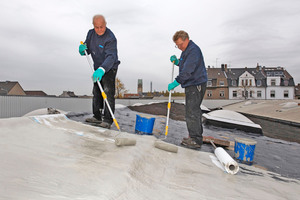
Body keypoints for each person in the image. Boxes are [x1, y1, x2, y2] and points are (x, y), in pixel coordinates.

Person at [79, 15, 120, 129]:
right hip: (97, 68)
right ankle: (97, 117)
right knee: (96, 91)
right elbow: (87, 49)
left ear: (105, 24)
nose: (99, 30)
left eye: (101, 27)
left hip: (110, 67)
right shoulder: (90, 34)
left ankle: (107, 119)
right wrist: (83, 50)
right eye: (96, 27)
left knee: (107, 91)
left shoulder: (110, 38)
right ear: (93, 26)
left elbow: (111, 56)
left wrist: (102, 69)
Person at [168, 30, 207, 149]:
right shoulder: (187, 51)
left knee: (192, 111)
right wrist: (177, 62)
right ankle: (193, 136)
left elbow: (187, 70)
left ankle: (196, 140)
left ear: (187, 40)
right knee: (191, 111)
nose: (179, 47)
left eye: (180, 44)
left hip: (196, 84)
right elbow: (185, 64)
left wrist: (176, 82)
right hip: (192, 84)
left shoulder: (193, 50)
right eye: (177, 45)